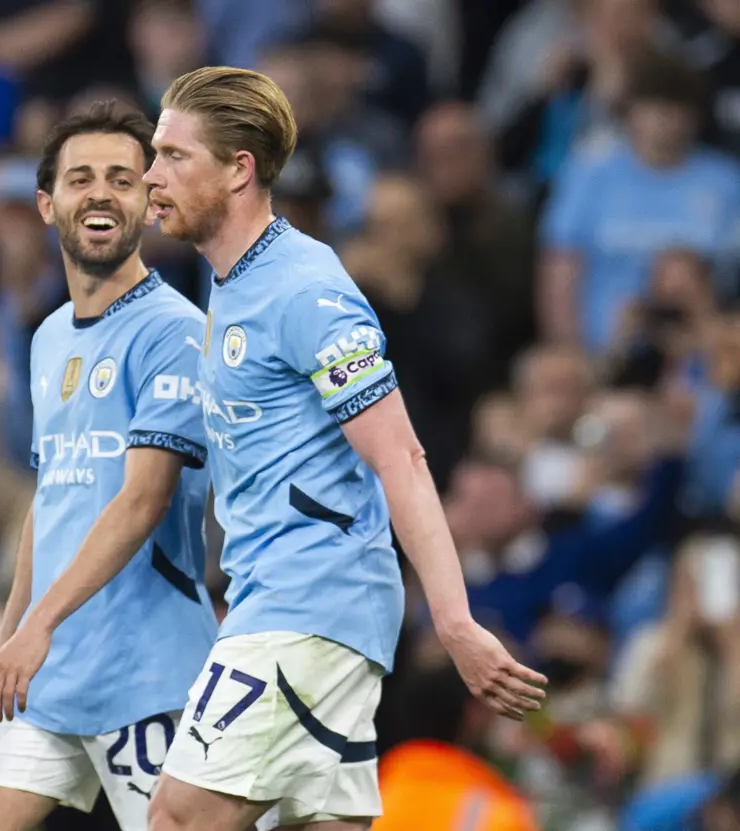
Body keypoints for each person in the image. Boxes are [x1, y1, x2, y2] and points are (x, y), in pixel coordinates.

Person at [139, 66, 548, 831]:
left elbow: (402, 458)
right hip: (291, 598)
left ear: (238, 169)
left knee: (180, 816)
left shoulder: (306, 292)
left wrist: (454, 620)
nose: (151, 175)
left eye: (172, 156)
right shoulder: (232, 282)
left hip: (312, 601)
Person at [0, 101, 217, 831]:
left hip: (147, 674)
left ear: (150, 204)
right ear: (45, 203)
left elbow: (141, 499)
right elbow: (50, 498)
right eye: (81, 177)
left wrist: (39, 625)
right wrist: (9, 635)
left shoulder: (176, 333)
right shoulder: (50, 337)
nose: (100, 193)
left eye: (122, 179)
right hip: (47, 671)